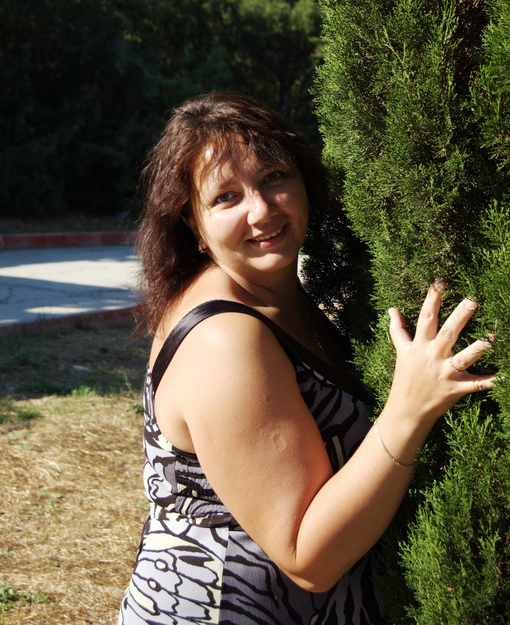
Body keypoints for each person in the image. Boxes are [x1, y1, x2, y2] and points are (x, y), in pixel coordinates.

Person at [118, 91, 495, 625]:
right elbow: (306, 557)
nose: (261, 209)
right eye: (226, 197)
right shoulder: (223, 340)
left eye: (274, 177)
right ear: (193, 225)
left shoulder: (279, 295)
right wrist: (409, 408)